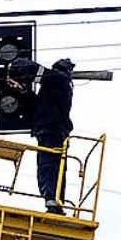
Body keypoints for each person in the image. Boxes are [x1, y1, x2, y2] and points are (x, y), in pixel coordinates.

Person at [32, 58, 75, 213]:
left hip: (52, 131)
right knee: (54, 167)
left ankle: (53, 200)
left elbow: (36, 71)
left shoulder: (58, 79)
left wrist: (18, 65)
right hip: (53, 132)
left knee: (48, 166)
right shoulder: (56, 85)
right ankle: (55, 201)